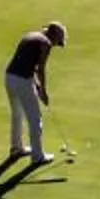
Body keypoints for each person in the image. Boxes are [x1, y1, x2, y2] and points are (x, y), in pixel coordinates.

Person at [4, 20, 64, 162]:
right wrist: (43, 90)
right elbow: (40, 69)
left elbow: (28, 63)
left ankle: (16, 147)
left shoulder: (30, 35)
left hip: (9, 77)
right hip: (22, 80)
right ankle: (38, 156)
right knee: (35, 118)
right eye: (57, 41)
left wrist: (35, 84)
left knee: (17, 115)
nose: (55, 45)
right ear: (54, 36)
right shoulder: (45, 43)